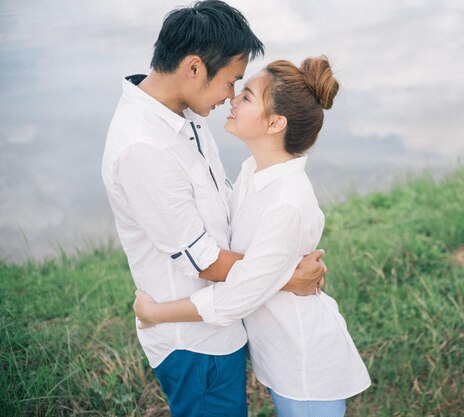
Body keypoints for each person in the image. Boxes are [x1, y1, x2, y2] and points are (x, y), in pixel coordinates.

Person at [101, 2, 326, 416]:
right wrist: (285, 276)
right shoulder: (142, 148)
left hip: (222, 321)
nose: (230, 97)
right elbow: (202, 260)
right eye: (230, 82)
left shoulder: (185, 113)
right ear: (193, 68)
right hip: (194, 340)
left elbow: (220, 203)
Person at [133, 56, 371, 417]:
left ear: (275, 122)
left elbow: (237, 297)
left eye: (245, 97)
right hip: (281, 355)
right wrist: (285, 277)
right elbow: (249, 261)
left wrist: (156, 313)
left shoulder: (287, 201)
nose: (231, 99)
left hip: (303, 362)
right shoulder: (252, 173)